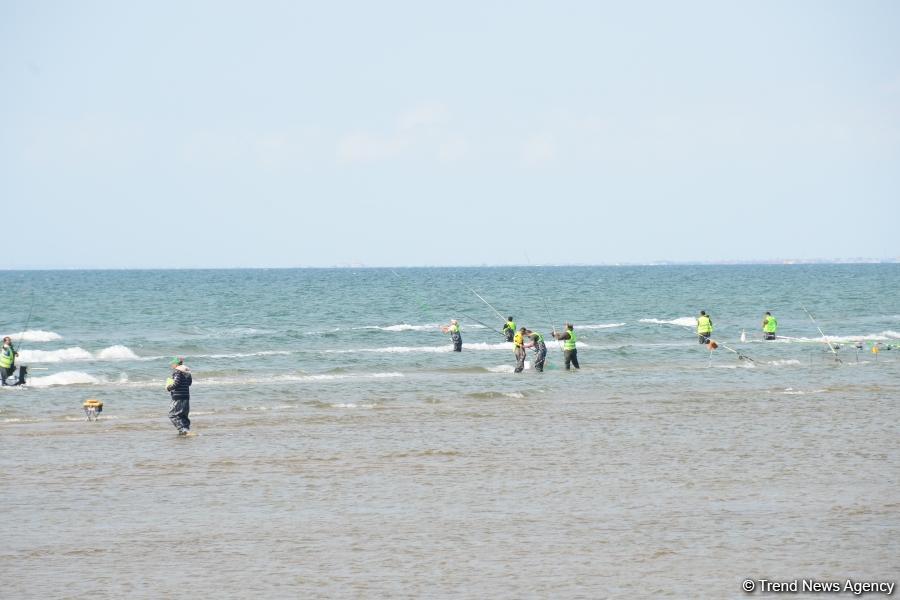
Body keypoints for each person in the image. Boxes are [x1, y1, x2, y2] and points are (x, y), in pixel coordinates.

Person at [166, 357, 193, 435]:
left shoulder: (177, 372)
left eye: (172, 364)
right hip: (186, 397)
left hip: (178, 397)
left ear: (176, 364)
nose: (172, 365)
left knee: (172, 415)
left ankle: (183, 429)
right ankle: (186, 430)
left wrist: (169, 387)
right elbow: (189, 383)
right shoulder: (187, 372)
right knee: (183, 415)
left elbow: (176, 383)